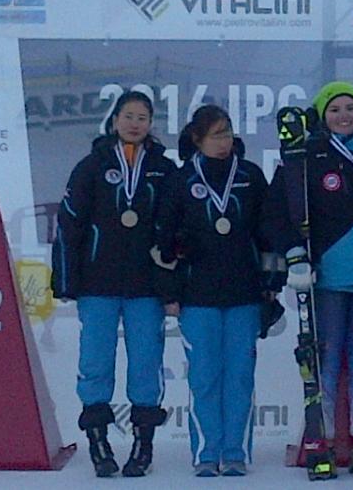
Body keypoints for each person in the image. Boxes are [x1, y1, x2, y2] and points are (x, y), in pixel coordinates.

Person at [155, 104, 303, 478]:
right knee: (204, 377)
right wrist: (170, 293)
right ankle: (206, 452)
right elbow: (164, 240)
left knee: (239, 376)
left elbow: (268, 232)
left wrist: (271, 285)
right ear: (197, 138)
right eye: (216, 135)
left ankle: (235, 451)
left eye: (228, 133)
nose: (224, 142)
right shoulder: (181, 179)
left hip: (244, 295)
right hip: (196, 296)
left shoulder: (251, 176)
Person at [51, 90, 175, 478]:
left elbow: (174, 231)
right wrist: (67, 281)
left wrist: (173, 286)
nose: (135, 123)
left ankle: (143, 443)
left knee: (145, 363)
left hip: (146, 286)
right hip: (98, 284)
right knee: (95, 362)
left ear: (151, 124)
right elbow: (69, 224)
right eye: (129, 116)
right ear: (115, 119)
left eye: (143, 117)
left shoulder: (163, 169)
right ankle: (98, 441)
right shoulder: (91, 166)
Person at [271, 82, 353, 479]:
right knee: (325, 361)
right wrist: (295, 255)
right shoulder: (307, 155)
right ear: (322, 115)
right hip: (328, 277)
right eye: (335, 108)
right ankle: (321, 441)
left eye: (350, 107)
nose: (344, 115)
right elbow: (282, 211)